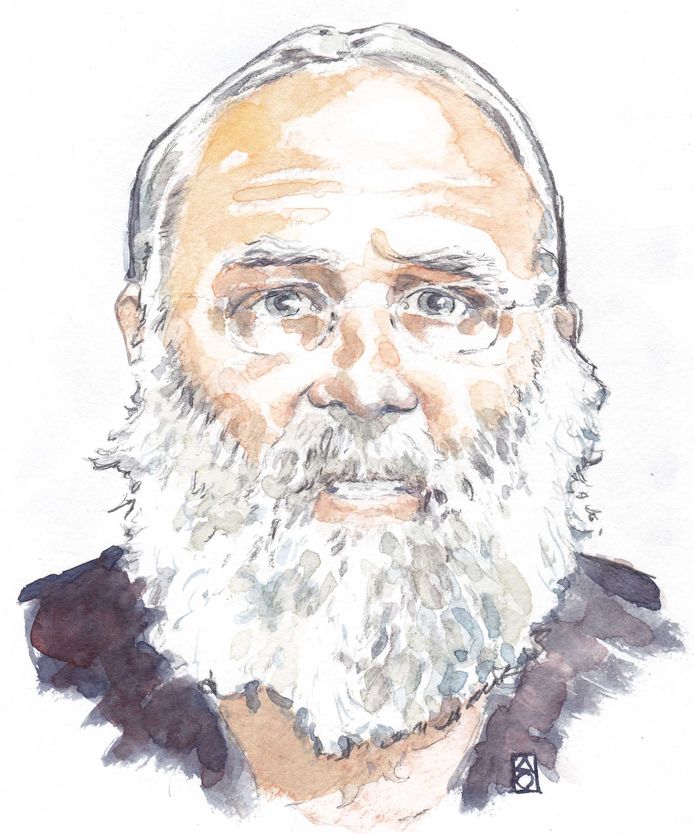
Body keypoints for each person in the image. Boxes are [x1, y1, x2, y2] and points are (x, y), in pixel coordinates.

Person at [19, 23, 677, 827]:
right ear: (145, 337)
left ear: (553, 346)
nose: (367, 383)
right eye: (280, 302)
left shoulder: (664, 701)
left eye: (444, 303)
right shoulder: (32, 691)